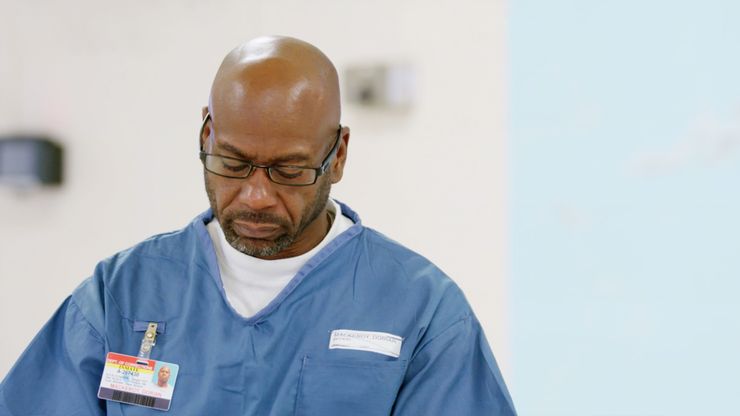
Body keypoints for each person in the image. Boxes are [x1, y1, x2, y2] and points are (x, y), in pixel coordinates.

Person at [0, 36, 516, 415]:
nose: (256, 196)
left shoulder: (420, 311)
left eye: (289, 171)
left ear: (337, 157)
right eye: (233, 162)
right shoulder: (120, 296)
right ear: (206, 135)